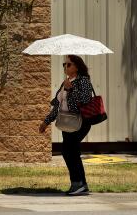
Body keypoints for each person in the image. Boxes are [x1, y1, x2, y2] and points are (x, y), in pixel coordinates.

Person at [38, 54, 94, 196]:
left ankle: (78, 184)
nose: (65, 67)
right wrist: (46, 121)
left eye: (68, 64)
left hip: (80, 122)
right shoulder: (66, 82)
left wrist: (71, 90)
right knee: (69, 152)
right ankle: (80, 184)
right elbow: (58, 105)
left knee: (70, 152)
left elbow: (85, 99)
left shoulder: (83, 81)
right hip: (67, 123)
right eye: (64, 64)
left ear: (76, 67)